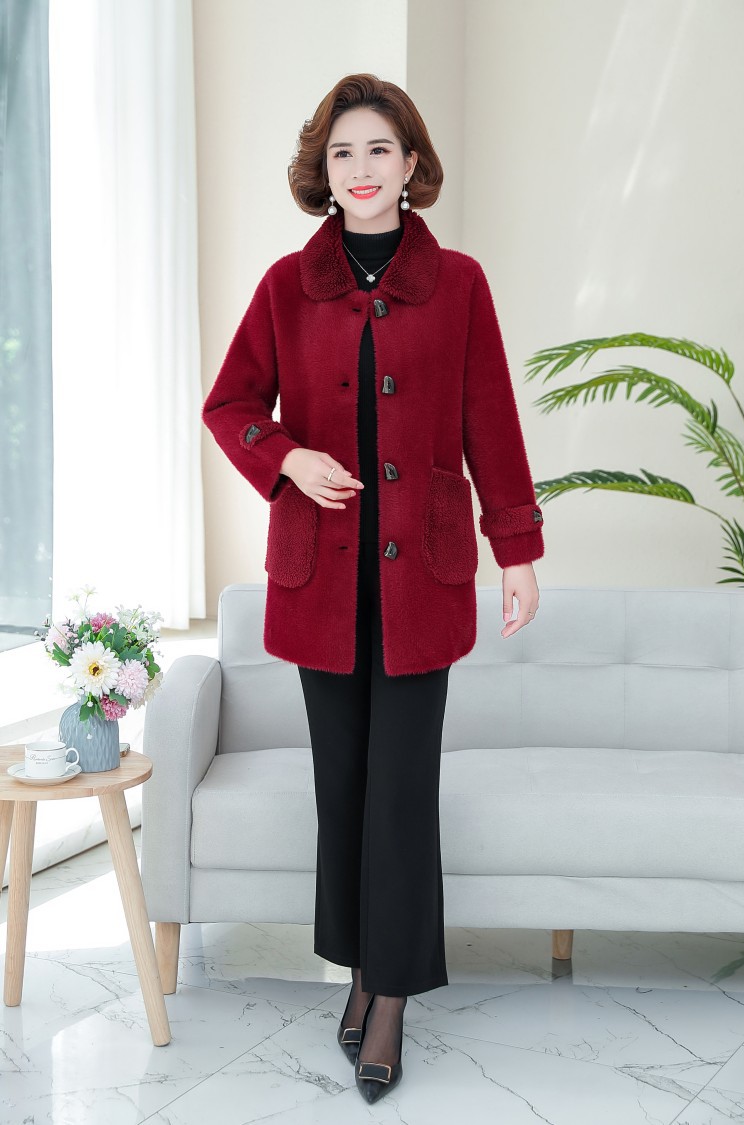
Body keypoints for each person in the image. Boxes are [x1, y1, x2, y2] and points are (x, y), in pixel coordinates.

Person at [202, 72, 544, 1103]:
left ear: (411, 165)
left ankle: (388, 997)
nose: (360, 169)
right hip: (320, 580)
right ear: (325, 169)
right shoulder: (286, 285)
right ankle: (356, 970)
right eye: (343, 152)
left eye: (379, 150)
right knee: (342, 790)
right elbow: (230, 405)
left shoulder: (461, 284)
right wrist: (287, 458)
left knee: (400, 794)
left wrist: (517, 547)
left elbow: (491, 419)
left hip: (421, 582)